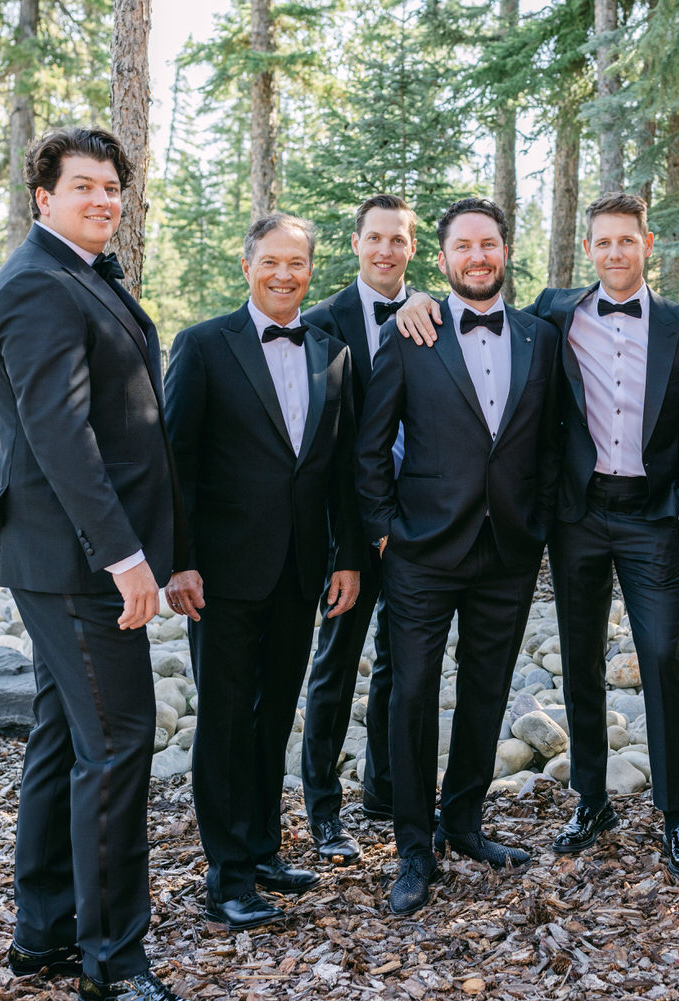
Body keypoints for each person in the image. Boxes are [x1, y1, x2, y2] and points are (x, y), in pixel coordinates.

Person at [395, 192, 679, 878]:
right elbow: (472, 301)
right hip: (576, 515)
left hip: (650, 514)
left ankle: (674, 815)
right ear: (589, 250)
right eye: (601, 242)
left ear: (647, 245)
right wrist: (414, 298)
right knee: (579, 660)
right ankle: (592, 798)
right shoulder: (555, 312)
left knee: (663, 653)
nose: (613, 253)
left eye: (625, 241)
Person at [0, 125, 186, 1001]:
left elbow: (134, 435)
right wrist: (128, 559)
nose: (102, 199)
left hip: (81, 558)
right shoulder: (36, 286)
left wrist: (168, 552)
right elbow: (63, 440)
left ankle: (43, 934)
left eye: (112, 187)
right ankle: (113, 961)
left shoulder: (78, 276)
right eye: (84, 186)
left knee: (64, 741)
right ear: (44, 197)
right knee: (118, 746)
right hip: (75, 563)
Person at [358, 197, 562, 915]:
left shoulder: (542, 335)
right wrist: (383, 528)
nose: (478, 257)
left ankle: (465, 822)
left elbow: (553, 439)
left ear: (505, 252)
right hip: (421, 549)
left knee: (485, 690)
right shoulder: (410, 332)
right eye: (464, 247)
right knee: (411, 694)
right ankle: (414, 847)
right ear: (441, 259)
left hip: (507, 549)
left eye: (490, 244)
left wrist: (537, 526)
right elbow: (371, 441)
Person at [163, 213, 364, 931]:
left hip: (301, 568)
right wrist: (177, 561)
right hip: (219, 573)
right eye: (272, 261)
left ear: (311, 269)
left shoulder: (332, 354)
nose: (285, 274)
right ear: (247, 264)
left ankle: (263, 849)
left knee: (274, 712)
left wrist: (344, 557)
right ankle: (226, 876)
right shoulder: (202, 346)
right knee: (223, 722)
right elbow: (175, 463)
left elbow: (338, 468)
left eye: (298, 263)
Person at [299, 194, 419, 861]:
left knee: (403, 664)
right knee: (336, 664)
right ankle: (323, 809)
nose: (385, 251)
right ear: (356, 243)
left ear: (411, 246)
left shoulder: (433, 315)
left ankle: (385, 788)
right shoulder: (320, 323)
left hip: (412, 528)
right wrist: (346, 538)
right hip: (345, 531)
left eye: (398, 240)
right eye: (375, 238)